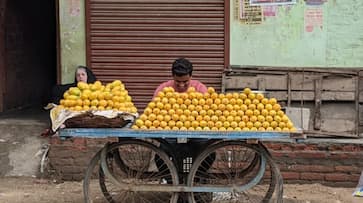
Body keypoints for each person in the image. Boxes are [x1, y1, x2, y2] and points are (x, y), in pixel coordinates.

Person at [153, 58, 215, 186]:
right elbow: (154, 111)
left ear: (191, 76)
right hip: (170, 132)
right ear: (172, 76)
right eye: (178, 82)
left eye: (185, 82)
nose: (181, 85)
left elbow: (210, 112)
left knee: (209, 153)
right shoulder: (164, 89)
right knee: (160, 156)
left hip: (196, 133)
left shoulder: (199, 88)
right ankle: (172, 182)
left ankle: (195, 179)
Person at [41, 65, 97, 137]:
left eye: (83, 74)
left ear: (88, 76)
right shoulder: (72, 89)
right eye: (78, 75)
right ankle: (58, 126)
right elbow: (56, 90)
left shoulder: (94, 89)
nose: (80, 77)